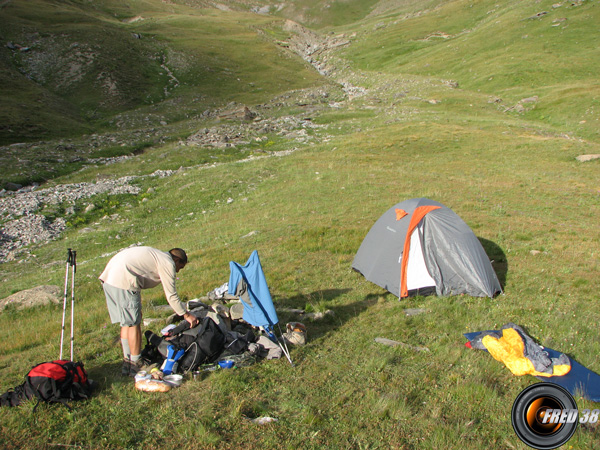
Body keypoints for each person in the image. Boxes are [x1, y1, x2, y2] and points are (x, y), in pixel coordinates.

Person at [99, 246, 199, 376]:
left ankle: (127, 363)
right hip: (124, 279)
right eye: (180, 267)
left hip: (110, 278)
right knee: (134, 323)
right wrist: (186, 315)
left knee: (127, 322)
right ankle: (136, 363)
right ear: (176, 260)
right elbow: (171, 296)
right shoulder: (167, 262)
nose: (178, 271)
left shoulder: (158, 255)